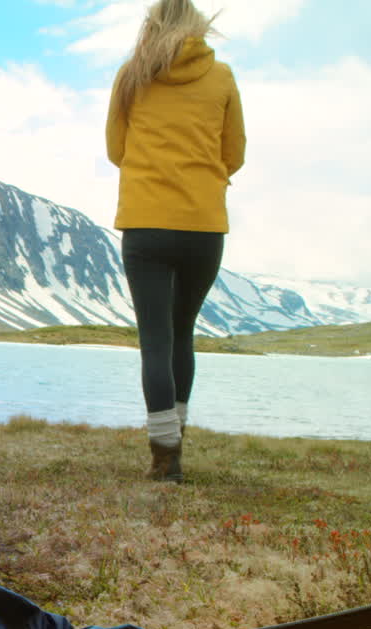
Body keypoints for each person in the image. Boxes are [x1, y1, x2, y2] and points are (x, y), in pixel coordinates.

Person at [106, 0, 245, 481]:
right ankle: (175, 442)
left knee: (155, 343)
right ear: (197, 26)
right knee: (182, 334)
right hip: (204, 226)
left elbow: (115, 149)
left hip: (146, 223)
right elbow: (235, 153)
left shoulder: (132, 76)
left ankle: (166, 459)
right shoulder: (222, 76)